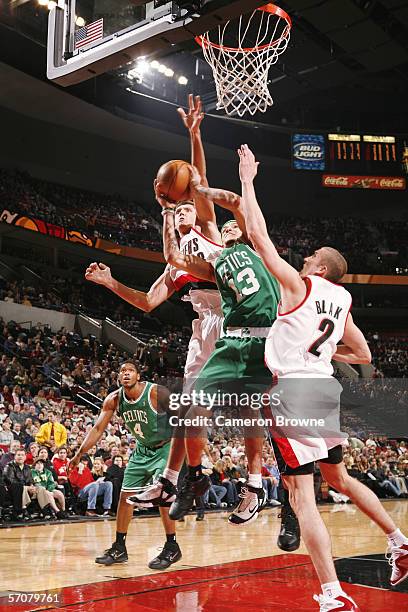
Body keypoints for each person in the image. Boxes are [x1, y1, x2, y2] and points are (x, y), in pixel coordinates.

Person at [237, 143, 408, 609]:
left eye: (312, 256)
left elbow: (258, 235)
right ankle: (398, 540)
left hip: (293, 390)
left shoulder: (300, 283)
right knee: (339, 476)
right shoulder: (343, 301)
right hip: (323, 390)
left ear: (320, 268)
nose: (306, 258)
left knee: (302, 494)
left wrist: (248, 181)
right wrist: (330, 351)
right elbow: (365, 352)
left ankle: (331, 592)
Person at [150, 165, 300, 551]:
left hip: (268, 342)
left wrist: (201, 187)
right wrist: (167, 210)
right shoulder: (217, 262)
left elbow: (234, 202)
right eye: (227, 231)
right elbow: (174, 257)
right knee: (192, 404)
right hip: (231, 342)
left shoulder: (258, 246)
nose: (230, 231)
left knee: (278, 428)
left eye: (233, 229)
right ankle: (195, 475)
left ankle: (275, 497)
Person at [85, 95, 224, 511]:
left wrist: (195, 135)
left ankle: (262, 485)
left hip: (237, 315)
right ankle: (184, 479)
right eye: (177, 209)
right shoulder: (175, 263)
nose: (184, 213)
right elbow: (147, 303)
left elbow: (198, 181)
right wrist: (111, 284)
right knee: (187, 408)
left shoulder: (210, 229)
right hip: (205, 325)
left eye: (186, 209)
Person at [68, 361, 180, 570]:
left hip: (165, 447)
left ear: (138, 375)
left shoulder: (156, 392)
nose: (125, 374)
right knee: (125, 497)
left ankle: (172, 546)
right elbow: (98, 428)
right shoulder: (114, 399)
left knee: (163, 493)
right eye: (122, 371)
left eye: (130, 371)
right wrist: (79, 454)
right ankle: (119, 547)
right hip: (142, 449)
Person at [3, 448, 36, 520]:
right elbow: (10, 481)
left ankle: (46, 511)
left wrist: (32, 486)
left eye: (22, 455)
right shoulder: (9, 466)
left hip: (26, 488)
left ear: (25, 457)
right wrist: (26, 487)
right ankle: (23, 510)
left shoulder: (27, 467)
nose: (20, 456)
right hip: (12, 489)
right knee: (21, 487)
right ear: (15, 456)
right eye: (18, 455)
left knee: (41, 489)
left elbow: (31, 480)